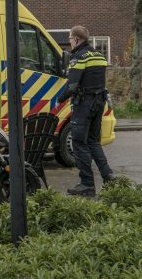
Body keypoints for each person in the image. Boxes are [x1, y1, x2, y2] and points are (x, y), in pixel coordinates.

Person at [58, 26, 115, 197]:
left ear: (76, 39)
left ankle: (87, 184)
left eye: (69, 38)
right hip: (99, 102)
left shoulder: (78, 57)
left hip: (84, 104)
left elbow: (73, 85)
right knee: (93, 141)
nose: (69, 41)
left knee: (79, 142)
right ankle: (108, 176)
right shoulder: (99, 56)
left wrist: (59, 99)